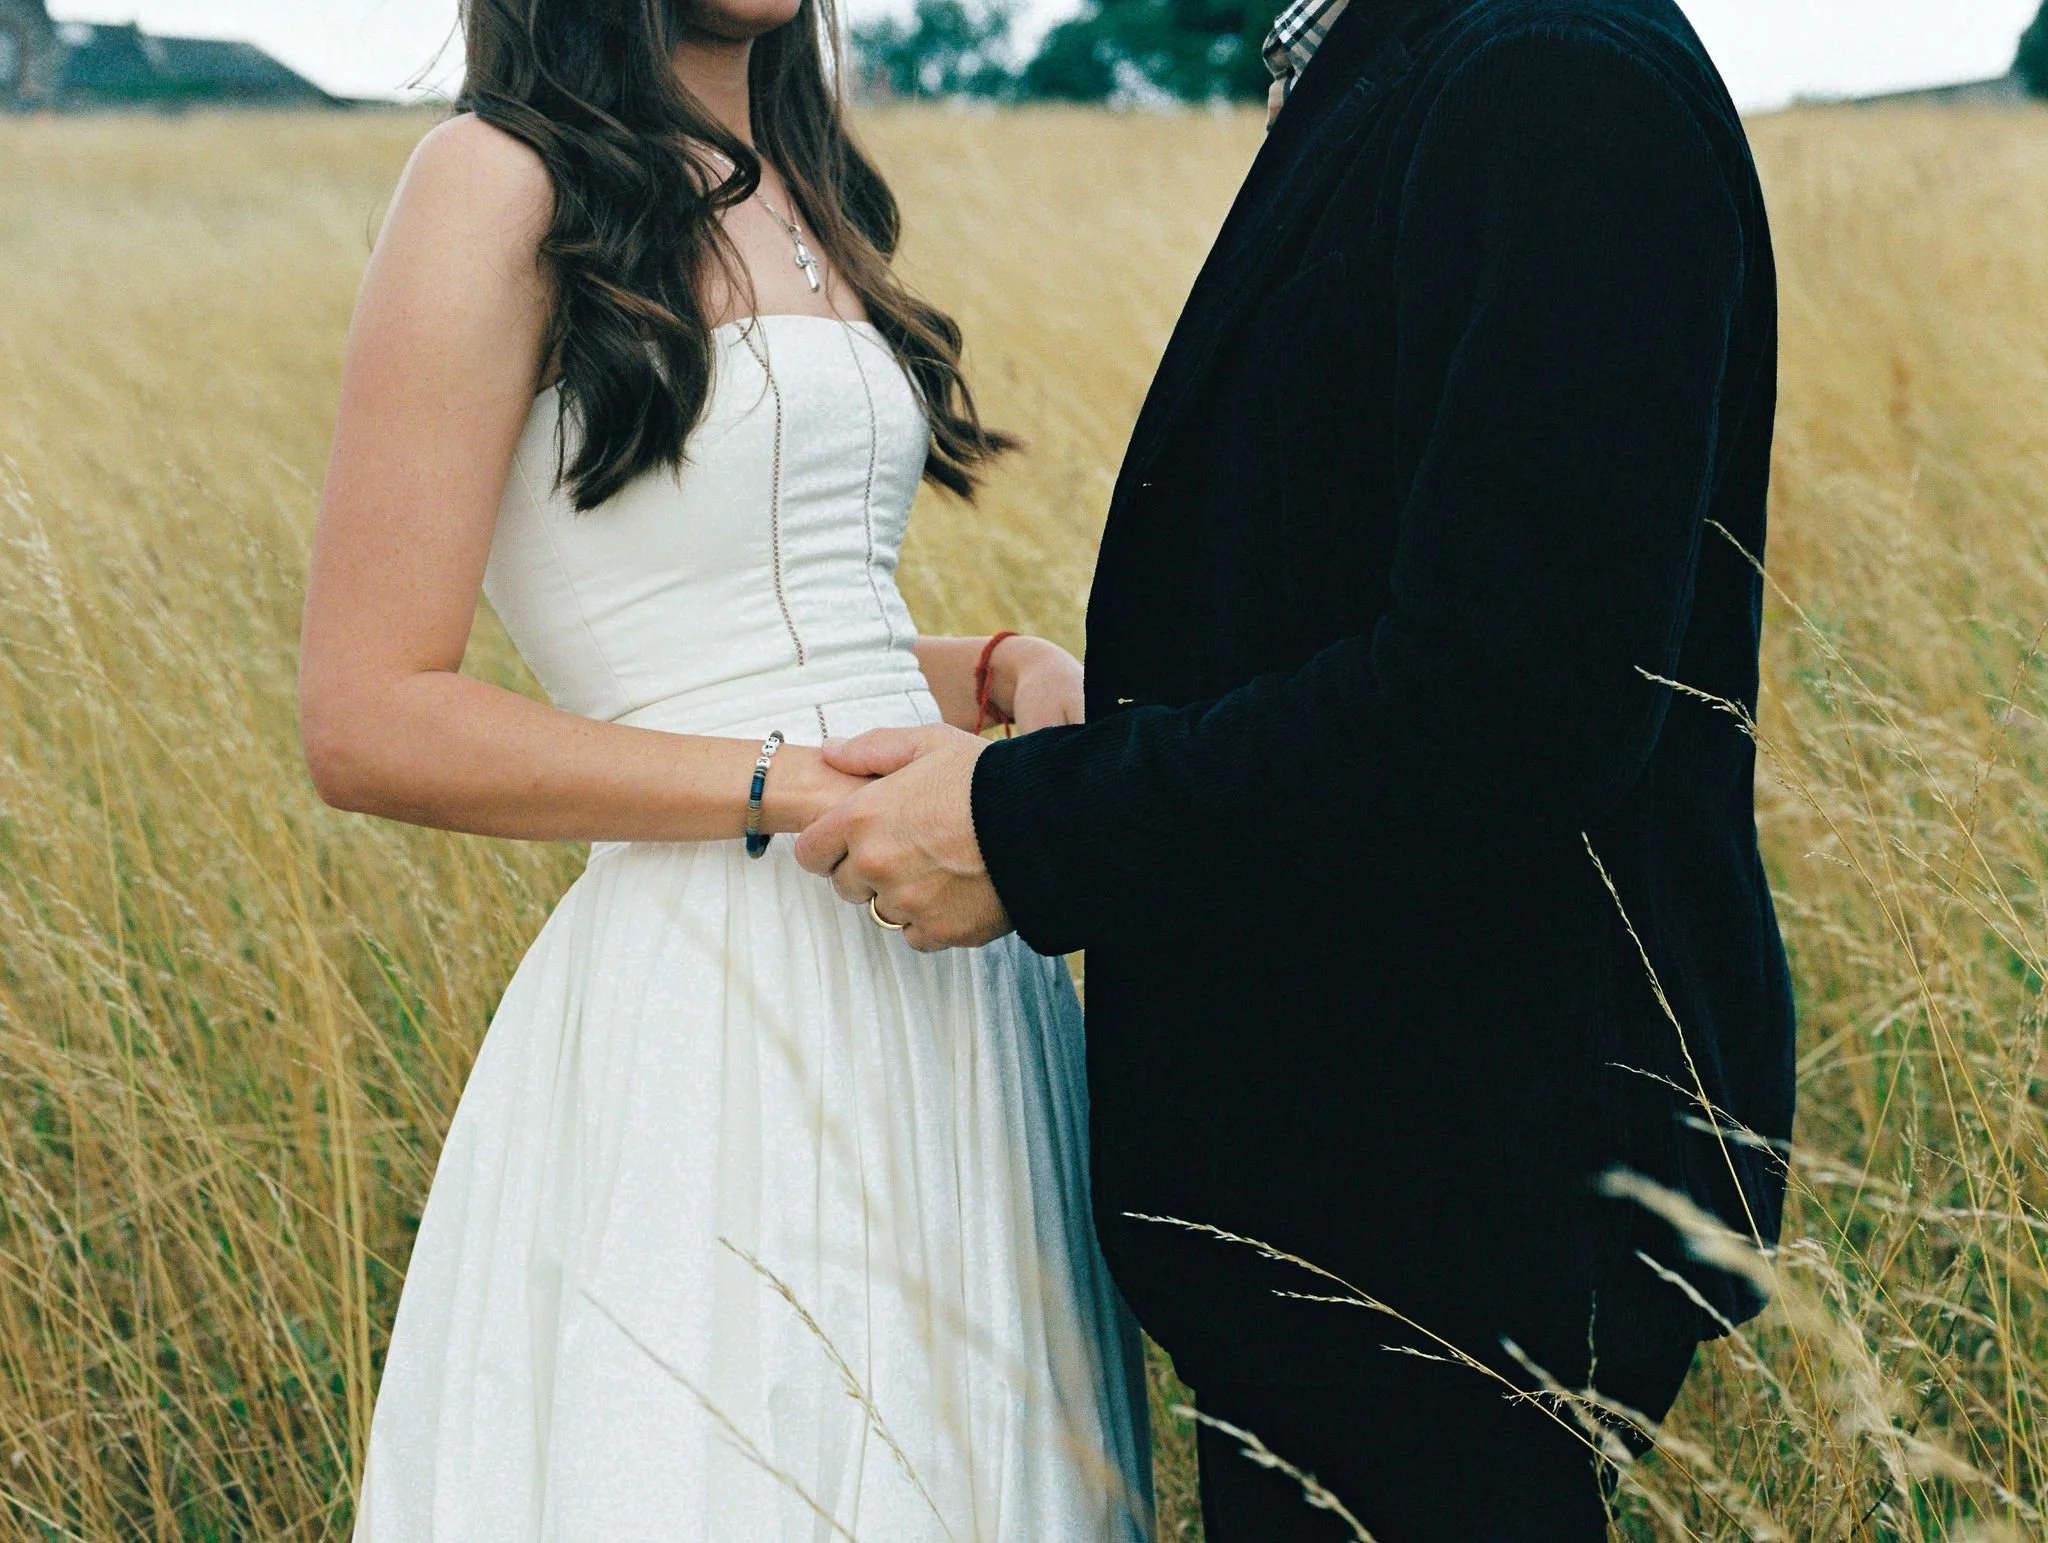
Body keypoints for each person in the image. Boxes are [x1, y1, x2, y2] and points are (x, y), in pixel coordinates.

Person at [796, 0, 1798, 1537]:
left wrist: (1028, 823)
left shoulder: (1555, 79)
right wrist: (1101, 717)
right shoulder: (1419, 57)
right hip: (1369, 1201)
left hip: (1461, 1221)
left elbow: (1507, 701)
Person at [297, 0, 1151, 1536]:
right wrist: (801, 791)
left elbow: (769, 613)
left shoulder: (802, 177)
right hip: (725, 990)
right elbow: (366, 712)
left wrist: (1009, 669)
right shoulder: (495, 180)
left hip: (950, 968)